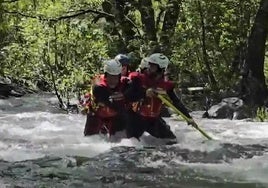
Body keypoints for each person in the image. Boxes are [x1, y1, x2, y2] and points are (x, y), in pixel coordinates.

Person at [126, 53, 196, 143]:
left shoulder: (166, 85)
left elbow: (176, 102)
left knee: (172, 141)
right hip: (136, 119)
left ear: (161, 69)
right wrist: (144, 93)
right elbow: (128, 96)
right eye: (149, 65)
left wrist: (188, 117)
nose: (149, 68)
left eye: (153, 66)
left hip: (153, 120)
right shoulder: (138, 79)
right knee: (131, 145)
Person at [83, 59, 130, 136]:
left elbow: (137, 92)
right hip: (96, 114)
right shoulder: (98, 85)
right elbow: (109, 102)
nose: (113, 81)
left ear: (119, 76)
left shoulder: (125, 82)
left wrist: (125, 95)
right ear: (106, 75)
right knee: (90, 138)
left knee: (121, 138)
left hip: (115, 116)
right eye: (110, 77)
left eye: (115, 77)